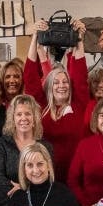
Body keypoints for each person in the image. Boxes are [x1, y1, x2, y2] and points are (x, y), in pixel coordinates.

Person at [23, 17, 89, 182]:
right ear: (49, 86)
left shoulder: (78, 104)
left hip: (74, 177)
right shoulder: (41, 105)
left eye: (65, 81)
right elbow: (30, 76)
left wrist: (79, 38)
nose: (61, 86)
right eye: (56, 82)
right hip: (44, 177)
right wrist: (35, 38)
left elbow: (80, 75)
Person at [0, 95, 52, 206]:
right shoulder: (3, 143)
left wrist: (24, 188)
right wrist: (18, 190)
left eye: (28, 114)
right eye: (19, 114)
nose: (23, 118)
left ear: (34, 118)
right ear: (13, 118)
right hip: (7, 205)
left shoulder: (45, 146)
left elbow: (49, 176)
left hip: (37, 205)